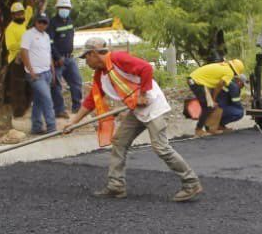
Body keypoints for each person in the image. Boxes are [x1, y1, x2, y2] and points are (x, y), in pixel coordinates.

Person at [65, 37, 202, 202]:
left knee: (161, 147)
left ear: (94, 53)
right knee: (119, 142)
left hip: (152, 107)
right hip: (136, 110)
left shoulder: (117, 59)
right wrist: (74, 122)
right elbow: (92, 100)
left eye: (86, 57)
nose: (86, 62)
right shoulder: (100, 75)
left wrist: (143, 94)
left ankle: (191, 182)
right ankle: (116, 185)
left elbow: (145, 68)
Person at [188, 58, 246, 136]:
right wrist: (213, 99)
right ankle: (199, 130)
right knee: (208, 106)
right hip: (197, 82)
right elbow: (218, 86)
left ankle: (212, 127)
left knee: (209, 106)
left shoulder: (224, 66)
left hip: (196, 80)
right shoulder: (229, 72)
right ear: (236, 71)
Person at [48, 0, 84, 118]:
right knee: (56, 85)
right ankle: (59, 110)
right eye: (62, 7)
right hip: (57, 59)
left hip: (69, 58)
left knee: (76, 81)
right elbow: (50, 42)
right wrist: (57, 57)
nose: (64, 9)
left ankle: (77, 107)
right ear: (57, 8)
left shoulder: (70, 21)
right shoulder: (52, 23)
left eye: (66, 8)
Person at [20, 13, 56, 134]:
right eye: (40, 22)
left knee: (39, 101)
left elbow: (49, 54)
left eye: (44, 22)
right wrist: (31, 72)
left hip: (46, 73)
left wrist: (53, 72)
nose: (42, 24)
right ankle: (52, 127)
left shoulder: (46, 36)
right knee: (47, 99)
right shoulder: (28, 34)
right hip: (36, 74)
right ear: (35, 22)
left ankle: (36, 127)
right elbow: (24, 52)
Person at [3, 1, 31, 117]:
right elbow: (10, 46)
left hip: (25, 58)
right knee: (18, 87)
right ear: (12, 15)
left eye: (21, 13)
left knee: (28, 85)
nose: (20, 16)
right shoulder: (10, 29)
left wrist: (30, 5)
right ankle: (18, 113)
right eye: (17, 14)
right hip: (16, 60)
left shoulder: (23, 24)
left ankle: (26, 108)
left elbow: (29, 15)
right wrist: (24, 43)